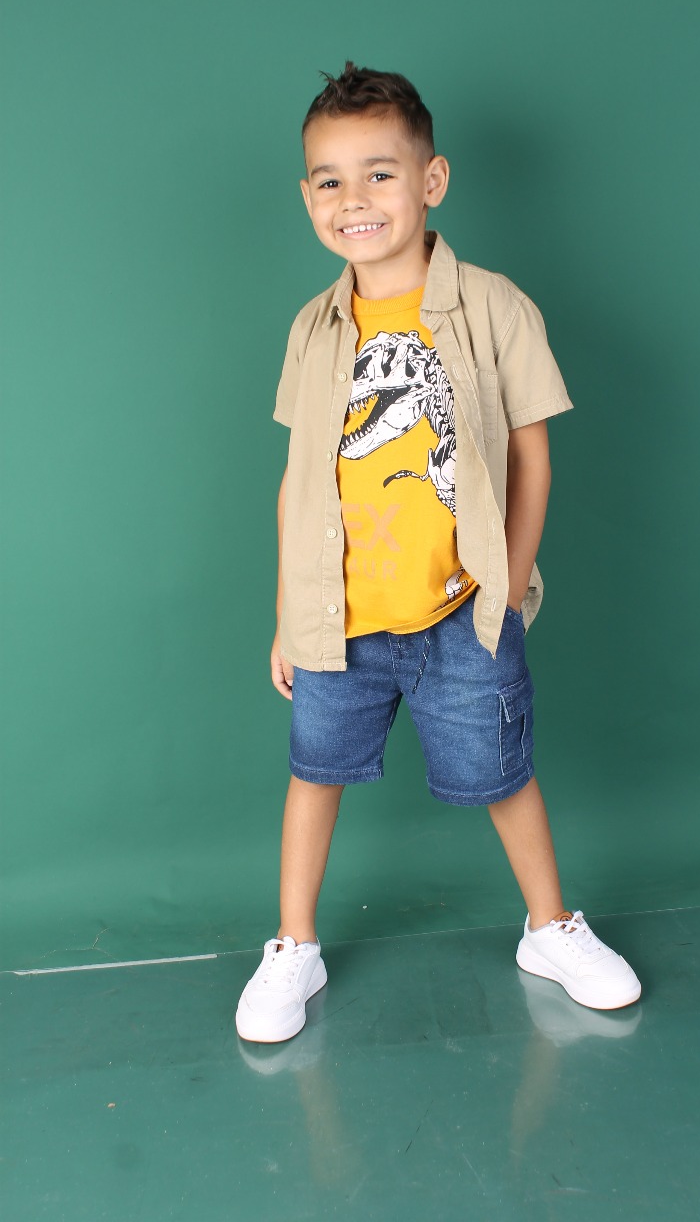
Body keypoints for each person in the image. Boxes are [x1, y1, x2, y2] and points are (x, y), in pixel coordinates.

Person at [235, 63, 641, 1044]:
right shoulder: (312, 329)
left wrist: (508, 585)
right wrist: (287, 611)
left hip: (461, 608)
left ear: (432, 180)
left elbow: (532, 455)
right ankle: (293, 943)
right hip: (338, 614)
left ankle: (549, 926)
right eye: (329, 180)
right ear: (306, 197)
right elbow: (297, 477)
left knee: (504, 773)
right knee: (314, 770)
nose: (354, 199)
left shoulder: (496, 306)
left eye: (379, 173)